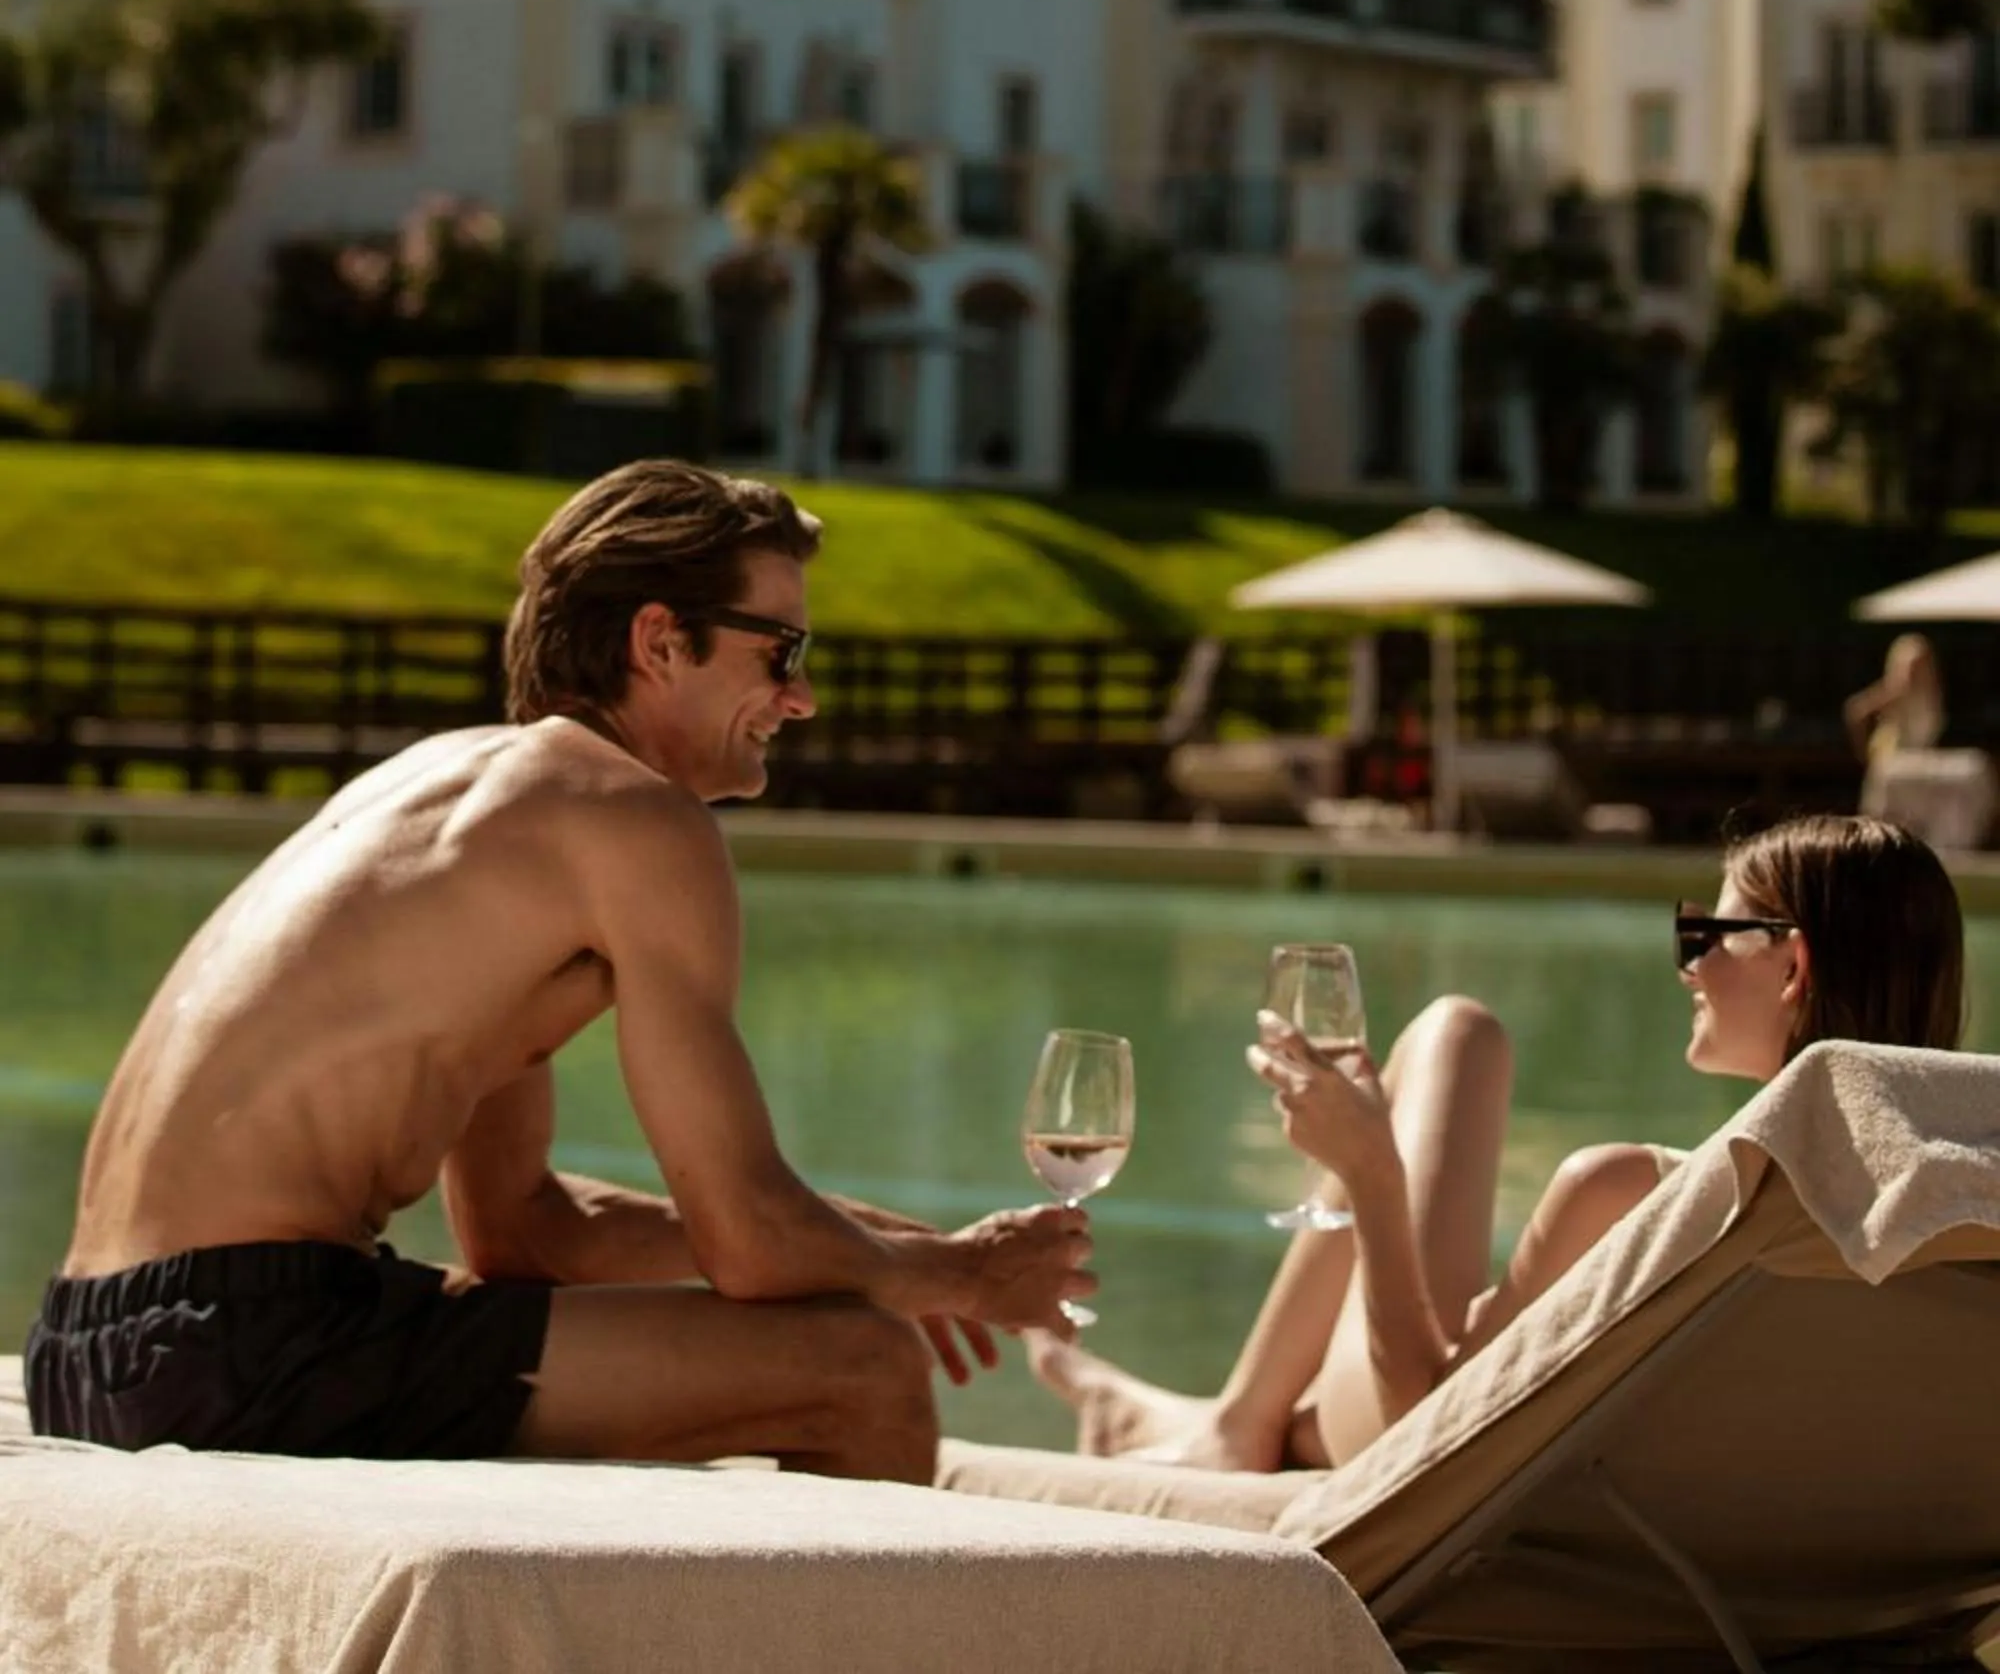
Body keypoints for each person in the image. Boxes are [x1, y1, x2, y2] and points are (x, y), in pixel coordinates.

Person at [26, 461, 1091, 1478]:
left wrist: (856, 1244)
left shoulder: (455, 789)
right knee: (861, 1369)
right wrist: (962, 1274)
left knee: (829, 1324)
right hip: (244, 1341)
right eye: (781, 651)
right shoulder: (637, 819)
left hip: (88, 1343)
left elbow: (524, 1228)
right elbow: (750, 1246)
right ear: (660, 640)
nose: (801, 697)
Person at [1032, 812, 1965, 1473]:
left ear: (1793, 966)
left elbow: (1426, 1431)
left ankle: (1231, 1426)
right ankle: (1223, 1419)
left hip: (1455, 1471)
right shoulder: (1946, 1219)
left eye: (1707, 935)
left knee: (1455, 1035)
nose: (1689, 966)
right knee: (1455, 1040)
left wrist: (1370, 1174)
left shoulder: (1626, 1191)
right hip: (1726, 1546)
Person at [1844, 633, 1947, 818]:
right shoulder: (1892, 694)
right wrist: (1863, 755)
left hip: (1920, 769)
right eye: (1913, 665)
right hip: (1893, 770)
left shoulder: (1931, 697)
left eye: (1923, 664)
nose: (1917, 670)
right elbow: (1856, 711)